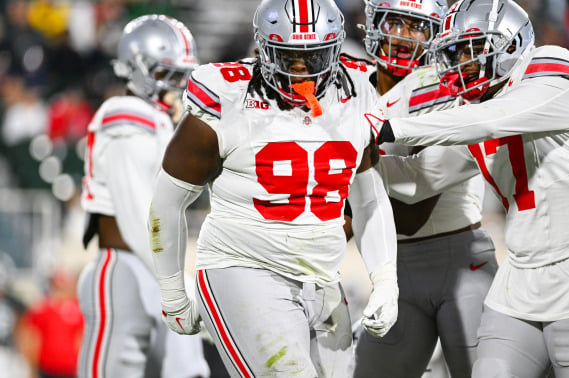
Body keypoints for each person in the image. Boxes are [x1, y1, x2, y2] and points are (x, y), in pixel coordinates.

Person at [369, 0, 569, 376]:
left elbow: (489, 121)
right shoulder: (481, 109)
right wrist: (358, 159)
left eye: (473, 48)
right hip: (518, 280)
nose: (462, 62)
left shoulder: (551, 77)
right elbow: (421, 180)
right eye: (454, 52)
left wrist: (389, 127)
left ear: (511, 43)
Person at [147, 0, 399, 377]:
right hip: (243, 268)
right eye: (287, 55)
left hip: (323, 279)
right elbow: (167, 203)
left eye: (312, 56)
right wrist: (172, 291)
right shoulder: (226, 98)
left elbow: (368, 196)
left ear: (335, 49)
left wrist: (384, 279)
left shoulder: (358, 90)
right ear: (263, 48)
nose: (300, 68)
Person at [352, 1, 498, 377]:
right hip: (394, 269)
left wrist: (340, 170)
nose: (403, 36)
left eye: (418, 27)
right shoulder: (351, 87)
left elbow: (415, 208)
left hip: (460, 263)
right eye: (395, 23)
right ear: (374, 24)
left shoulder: (447, 86)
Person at [77, 14, 210, 378]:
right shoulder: (126, 113)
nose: (177, 86)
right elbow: (138, 215)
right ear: (137, 68)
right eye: (168, 74)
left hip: (162, 270)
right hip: (127, 268)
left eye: (182, 75)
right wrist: (178, 285)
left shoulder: (163, 121)